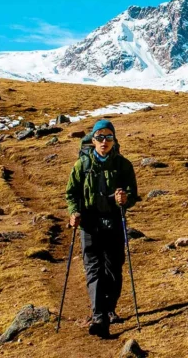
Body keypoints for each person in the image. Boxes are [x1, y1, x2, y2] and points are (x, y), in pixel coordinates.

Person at [64, 119, 139, 338]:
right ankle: (99, 316)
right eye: (99, 137)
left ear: (114, 140)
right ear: (93, 140)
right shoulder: (82, 165)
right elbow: (71, 193)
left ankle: (109, 308)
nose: (104, 141)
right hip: (89, 223)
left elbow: (133, 193)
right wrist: (73, 212)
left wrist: (125, 199)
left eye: (108, 137)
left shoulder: (124, 165)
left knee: (114, 270)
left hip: (114, 221)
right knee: (94, 268)